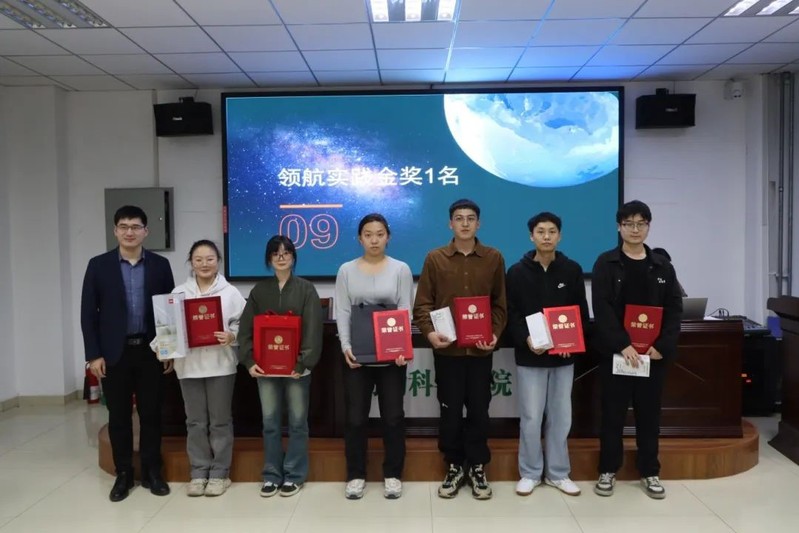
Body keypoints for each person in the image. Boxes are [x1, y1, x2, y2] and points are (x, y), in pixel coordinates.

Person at [413, 198, 507, 500]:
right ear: (450, 223)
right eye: (459, 218)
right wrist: (430, 334)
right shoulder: (435, 258)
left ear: (479, 224)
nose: (465, 223)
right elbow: (423, 305)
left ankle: (477, 466)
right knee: (450, 410)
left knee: (480, 409)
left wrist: (494, 334)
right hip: (448, 352)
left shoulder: (493, 258)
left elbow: (500, 305)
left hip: (480, 352)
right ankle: (454, 465)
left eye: (470, 218)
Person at [81, 205, 175, 502]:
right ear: (115, 231)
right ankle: (123, 473)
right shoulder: (98, 265)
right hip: (114, 354)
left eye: (135, 226)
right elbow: (88, 313)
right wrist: (93, 355)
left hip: (150, 352)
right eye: (124, 226)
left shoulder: (160, 265)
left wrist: (169, 349)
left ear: (146, 231)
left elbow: (168, 310)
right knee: (119, 416)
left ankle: (152, 472)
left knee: (151, 414)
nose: (129, 232)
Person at [591, 200, 683, 500]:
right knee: (612, 416)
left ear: (648, 227)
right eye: (629, 224)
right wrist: (623, 344)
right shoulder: (606, 263)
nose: (635, 229)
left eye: (640, 224)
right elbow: (602, 308)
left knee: (649, 416)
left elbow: (674, 309)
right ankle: (608, 470)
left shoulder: (662, 266)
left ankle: (650, 471)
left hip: (652, 357)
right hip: (618, 355)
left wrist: (662, 346)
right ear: (619, 227)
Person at [505, 212, 589, 497]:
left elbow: (581, 312)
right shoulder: (517, 272)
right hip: (531, 356)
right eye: (540, 231)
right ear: (531, 236)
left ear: (560, 236)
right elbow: (512, 314)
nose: (546, 236)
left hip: (563, 357)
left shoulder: (572, 269)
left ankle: (558, 473)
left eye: (552, 231)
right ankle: (530, 472)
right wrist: (526, 339)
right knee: (531, 417)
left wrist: (571, 343)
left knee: (561, 416)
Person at [154, 240, 246, 497]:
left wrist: (232, 335)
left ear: (218, 261)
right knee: (195, 422)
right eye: (198, 259)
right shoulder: (178, 293)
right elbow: (167, 329)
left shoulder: (230, 293)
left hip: (221, 366)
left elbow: (244, 324)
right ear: (191, 263)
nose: (204, 264)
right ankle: (198, 471)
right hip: (189, 367)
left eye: (210, 259)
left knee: (220, 422)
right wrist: (163, 349)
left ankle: (220, 474)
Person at [335, 213, 414, 500]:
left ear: (388, 237)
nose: (374, 240)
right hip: (358, 354)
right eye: (368, 235)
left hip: (392, 356)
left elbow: (405, 310)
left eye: (380, 234)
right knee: (356, 417)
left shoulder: (400, 269)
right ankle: (356, 475)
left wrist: (403, 347)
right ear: (360, 238)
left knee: (392, 416)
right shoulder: (346, 270)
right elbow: (343, 310)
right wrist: (346, 346)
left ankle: (393, 474)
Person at [238, 235, 323, 498]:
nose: (281, 257)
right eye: (276, 253)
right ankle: (272, 475)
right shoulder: (259, 291)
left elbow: (313, 329)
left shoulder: (306, 289)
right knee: (270, 422)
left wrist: (303, 362)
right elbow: (245, 330)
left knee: (297, 422)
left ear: (294, 257)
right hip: (265, 370)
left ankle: (294, 475)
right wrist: (249, 361)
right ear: (269, 258)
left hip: (297, 369)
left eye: (286, 252)